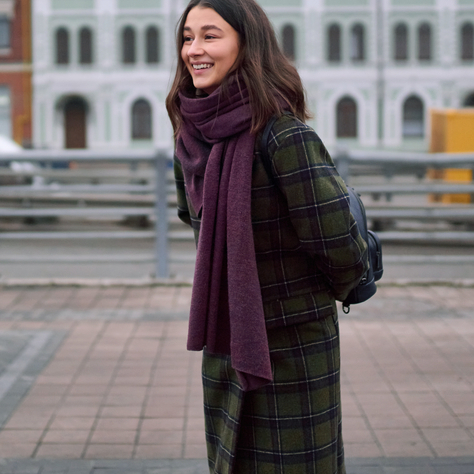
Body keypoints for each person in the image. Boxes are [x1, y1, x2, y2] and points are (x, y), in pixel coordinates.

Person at [166, 0, 368, 472]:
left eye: (210, 36)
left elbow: (339, 243)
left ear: (247, 44)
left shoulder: (283, 135)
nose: (193, 49)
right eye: (187, 37)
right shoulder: (191, 140)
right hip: (227, 340)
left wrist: (303, 300)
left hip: (294, 349)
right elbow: (194, 222)